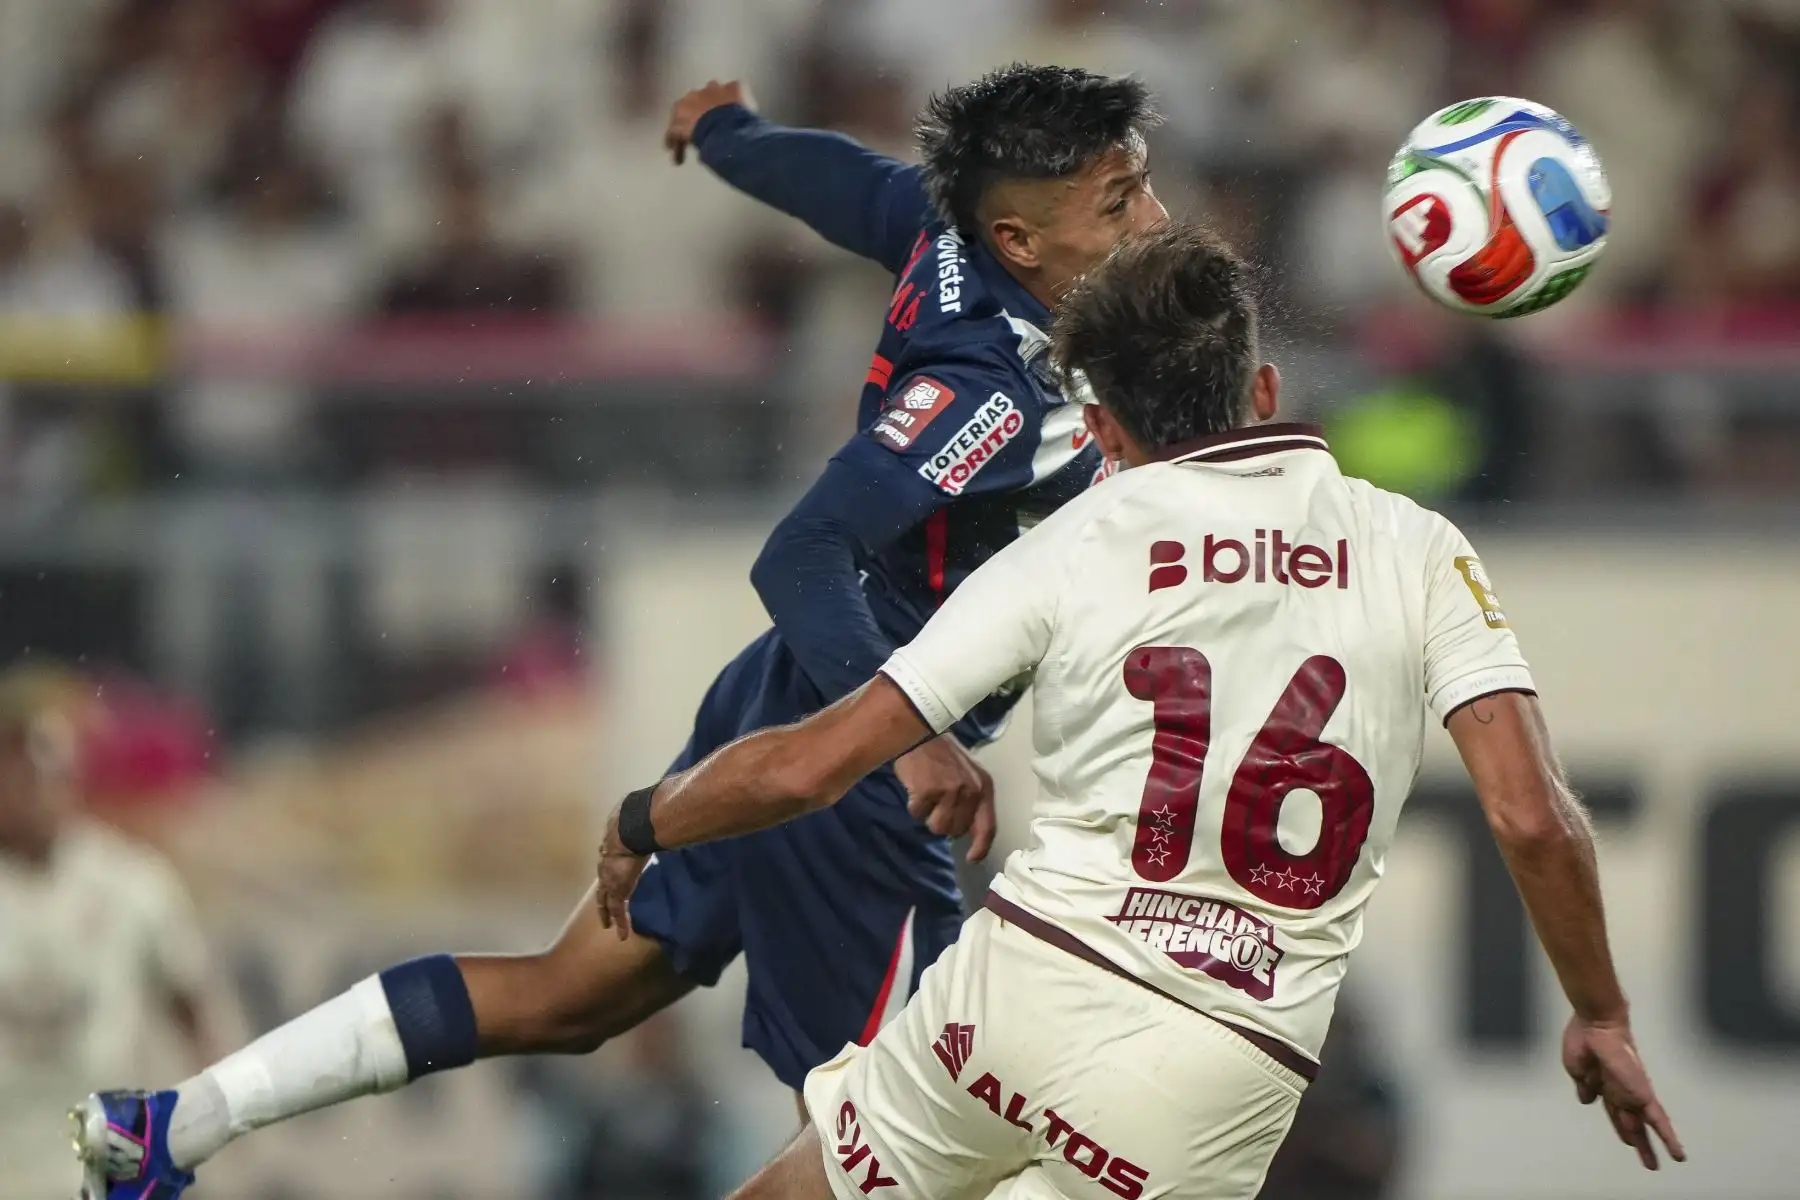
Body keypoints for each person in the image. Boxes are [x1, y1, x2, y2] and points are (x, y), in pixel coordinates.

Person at [72, 64, 1167, 1197]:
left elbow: (845, 185)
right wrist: (909, 740)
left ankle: (173, 1125)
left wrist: (728, 131)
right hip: (847, 767)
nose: (1155, 219)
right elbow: (799, 553)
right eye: (1120, 201)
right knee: (886, 1149)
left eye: (1141, 187)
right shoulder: (990, 390)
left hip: (783, 699)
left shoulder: (952, 239)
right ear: (1021, 241)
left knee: (568, 995)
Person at [590, 223, 1686, 1200]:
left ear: (1102, 432)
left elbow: (810, 766)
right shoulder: (1418, 550)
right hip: (1215, 1064)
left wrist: (649, 819)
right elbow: (1533, 819)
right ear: (1263, 392)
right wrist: (1600, 1013)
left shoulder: (1073, 543)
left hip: (1022, 992)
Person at [0, 667, 217, 1199]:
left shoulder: (132, 883)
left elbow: (193, 1010)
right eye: (10, 766)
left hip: (101, 1169)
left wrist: (212, 1127)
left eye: (36, 765)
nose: (24, 787)